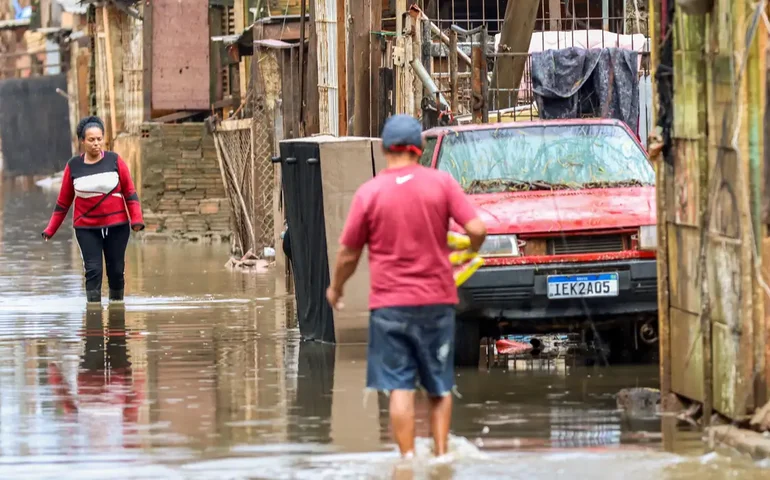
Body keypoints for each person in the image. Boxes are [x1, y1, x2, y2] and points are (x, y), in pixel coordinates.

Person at [326, 114, 487, 457]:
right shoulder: (441, 184)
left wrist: (336, 289)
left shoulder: (369, 193)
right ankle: (441, 458)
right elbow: (477, 229)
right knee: (439, 387)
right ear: (420, 148)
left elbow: (347, 254)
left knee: (400, 388)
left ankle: (407, 461)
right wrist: (467, 253)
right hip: (437, 303)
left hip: (389, 307)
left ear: (385, 148)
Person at [42, 116, 145, 304]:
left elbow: (130, 193)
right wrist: (50, 230)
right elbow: (63, 203)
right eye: (91, 140)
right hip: (86, 227)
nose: (96, 144)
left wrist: (137, 219)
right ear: (82, 141)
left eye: (99, 139)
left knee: (115, 270)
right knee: (93, 270)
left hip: (117, 226)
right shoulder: (73, 166)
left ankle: (116, 312)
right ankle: (94, 317)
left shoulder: (115, 160)